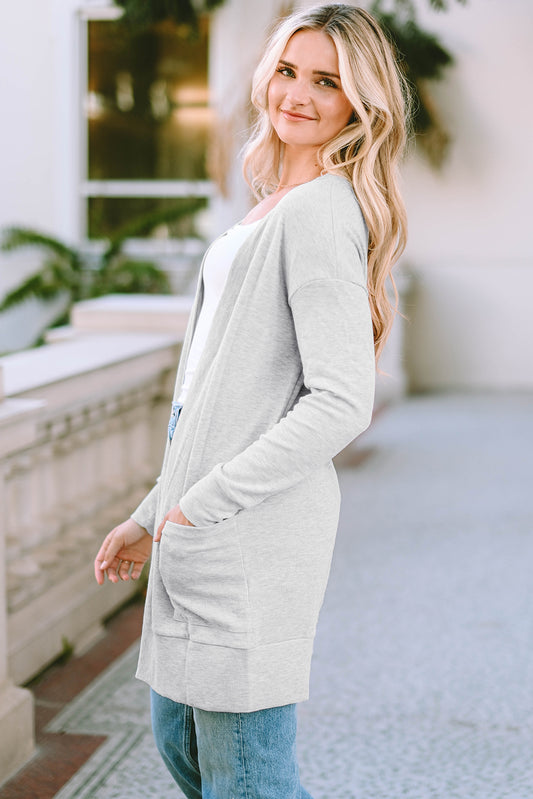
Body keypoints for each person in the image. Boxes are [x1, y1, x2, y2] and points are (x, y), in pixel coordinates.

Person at [94, 4, 409, 797]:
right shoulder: (271, 205)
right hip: (200, 521)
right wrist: (151, 512)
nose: (297, 94)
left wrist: (199, 508)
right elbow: (210, 398)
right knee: (185, 747)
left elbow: (340, 400)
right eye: (288, 71)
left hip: (246, 528)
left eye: (327, 81)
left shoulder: (318, 213)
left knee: (246, 781)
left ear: (358, 103)